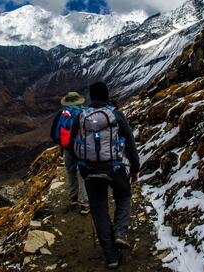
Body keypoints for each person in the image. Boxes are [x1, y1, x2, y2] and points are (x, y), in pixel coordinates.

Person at [70, 82, 140, 269]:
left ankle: (111, 257)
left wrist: (81, 167)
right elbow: (130, 143)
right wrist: (134, 168)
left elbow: (72, 145)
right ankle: (120, 233)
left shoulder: (81, 117)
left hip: (91, 170)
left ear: (92, 97)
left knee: (99, 210)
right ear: (107, 95)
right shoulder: (116, 115)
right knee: (124, 196)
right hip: (115, 168)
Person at [50, 92, 89, 212]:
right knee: (82, 174)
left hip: (67, 149)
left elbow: (54, 134)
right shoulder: (86, 113)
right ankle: (85, 203)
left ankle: (73, 199)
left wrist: (63, 144)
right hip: (82, 148)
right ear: (79, 101)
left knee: (70, 172)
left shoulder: (62, 114)